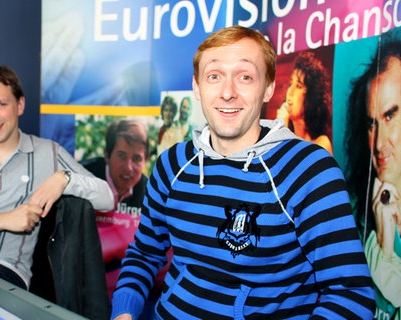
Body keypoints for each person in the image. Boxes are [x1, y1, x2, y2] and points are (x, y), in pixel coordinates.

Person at [110, 25, 375, 320]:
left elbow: (351, 296)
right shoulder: (172, 164)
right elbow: (144, 253)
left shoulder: (309, 170)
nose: (227, 93)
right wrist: (124, 312)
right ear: (197, 87)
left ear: (269, 88)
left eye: (245, 77)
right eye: (214, 76)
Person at [0, 65, 114, 292]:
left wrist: (64, 179)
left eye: (0, 105)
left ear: (20, 105)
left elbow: (107, 198)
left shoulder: (47, 153)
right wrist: (4, 220)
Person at [345, 33, 401, 320]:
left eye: (391, 115)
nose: (378, 144)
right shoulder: (354, 212)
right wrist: (383, 247)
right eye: (371, 124)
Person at [81, 119, 150, 297]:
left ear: (146, 161)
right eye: (121, 156)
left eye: (136, 159)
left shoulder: (150, 192)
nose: (129, 167)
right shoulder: (83, 178)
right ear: (106, 155)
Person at [276, 50, 333, 154]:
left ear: (310, 96)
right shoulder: (283, 134)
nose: (290, 92)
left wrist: (281, 133)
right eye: (290, 84)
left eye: (298, 86)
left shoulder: (321, 144)